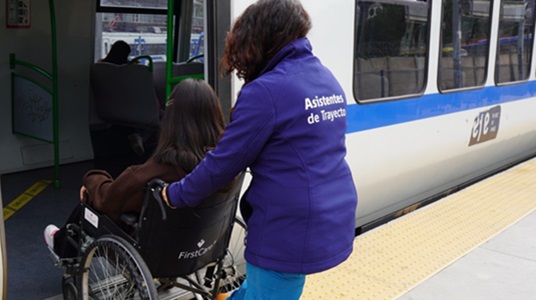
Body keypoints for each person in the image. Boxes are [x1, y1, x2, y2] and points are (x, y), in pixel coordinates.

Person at [161, 1, 358, 299]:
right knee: (260, 291)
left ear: (258, 39)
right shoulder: (325, 78)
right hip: (331, 212)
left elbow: (222, 165)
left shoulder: (266, 91)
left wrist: (174, 195)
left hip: (287, 228)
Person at [44, 78, 226, 258]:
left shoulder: (156, 170)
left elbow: (107, 199)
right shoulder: (225, 166)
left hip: (154, 252)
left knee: (91, 200)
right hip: (199, 246)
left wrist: (93, 179)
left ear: (173, 121)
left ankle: (62, 246)